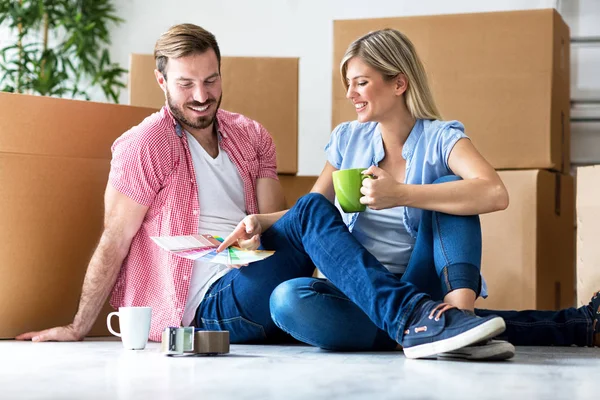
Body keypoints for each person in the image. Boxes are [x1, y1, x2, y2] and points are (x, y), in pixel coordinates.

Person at [17, 24, 508, 360]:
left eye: (211, 80)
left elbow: (292, 226)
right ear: (161, 81)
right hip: (204, 303)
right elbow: (114, 239)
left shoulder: (250, 136)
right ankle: (421, 320)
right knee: (298, 274)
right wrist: (81, 325)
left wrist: (259, 225)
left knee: (322, 224)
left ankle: (427, 319)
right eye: (186, 84)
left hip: (256, 269)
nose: (202, 95)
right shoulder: (143, 145)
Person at [218, 28, 600, 359]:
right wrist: (258, 222)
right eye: (348, 83)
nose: (350, 93)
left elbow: (494, 193)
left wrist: (401, 194)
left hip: (419, 281)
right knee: (288, 299)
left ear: (399, 83)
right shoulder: (347, 139)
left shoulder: (441, 138)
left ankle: (451, 318)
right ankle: (442, 329)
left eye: (361, 81)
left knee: (451, 187)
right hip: (361, 290)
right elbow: (309, 214)